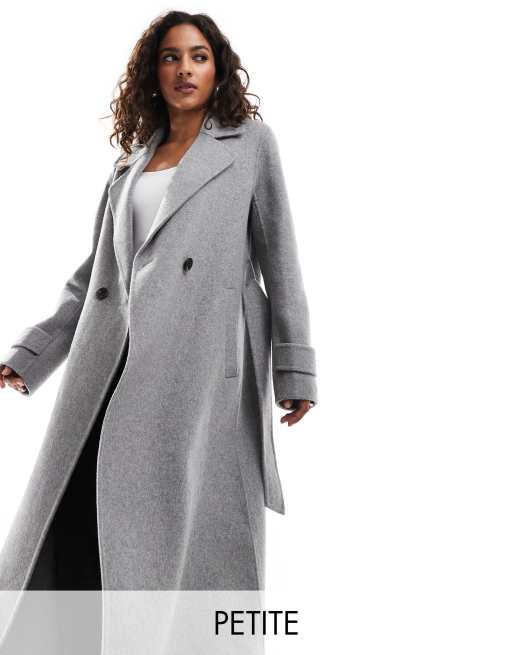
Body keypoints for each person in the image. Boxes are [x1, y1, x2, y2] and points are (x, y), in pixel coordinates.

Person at [0, 10, 318, 652]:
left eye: (198, 56)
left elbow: (280, 258)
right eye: (171, 57)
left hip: (200, 365)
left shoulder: (250, 145)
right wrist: (30, 356)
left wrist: (295, 369)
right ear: (153, 71)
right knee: (83, 508)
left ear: (218, 68)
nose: (184, 69)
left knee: (187, 526)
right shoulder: (131, 162)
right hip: (112, 359)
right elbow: (95, 276)